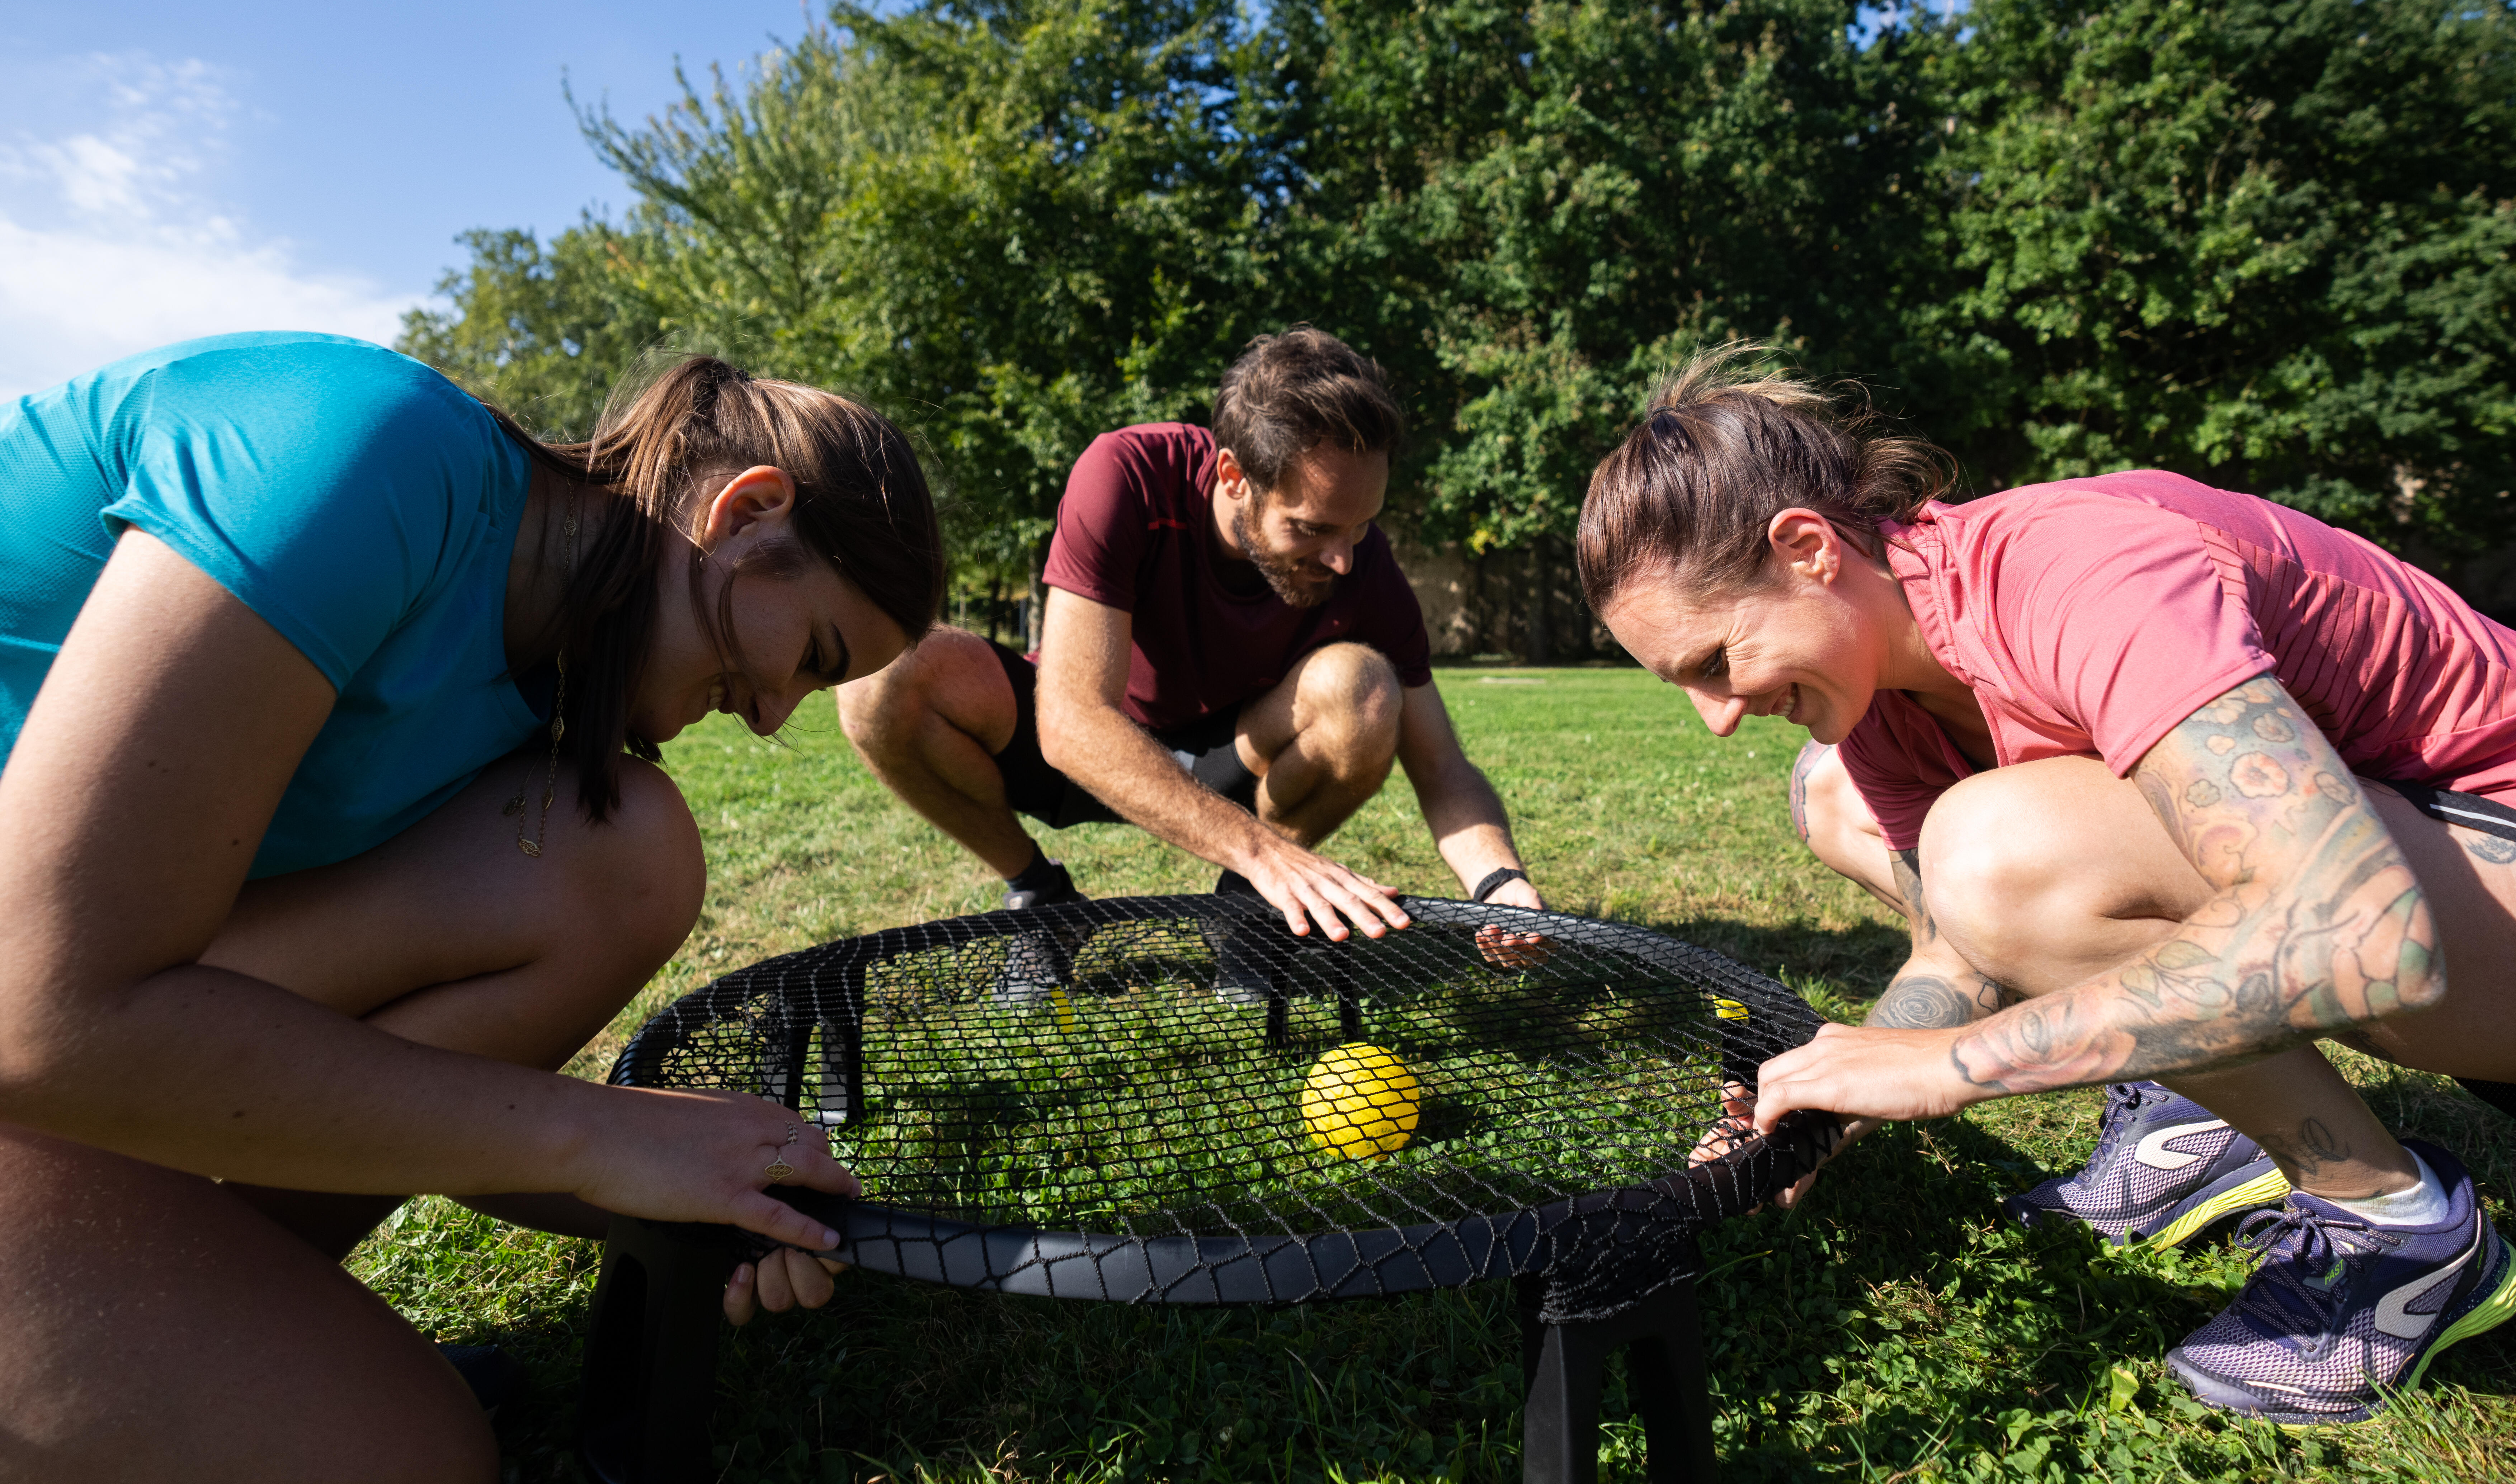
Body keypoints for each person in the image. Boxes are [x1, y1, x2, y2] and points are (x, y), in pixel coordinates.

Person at [0, 332, 945, 1481]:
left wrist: (686, 1199)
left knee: (623, 847)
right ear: (749, 513)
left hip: (70, 1037)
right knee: (414, 1458)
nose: (772, 718)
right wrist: (601, 1132)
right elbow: (40, 1013)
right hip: (40, 1015)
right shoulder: (364, 444)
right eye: (815, 654)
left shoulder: (541, 677)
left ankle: (237, 1306)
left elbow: (371, 1072)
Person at [1575, 350, 2516, 1426]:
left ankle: (2400, 1231)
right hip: (2492, 946)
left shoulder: (2078, 570)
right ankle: (2205, 1106)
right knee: (1896, 823)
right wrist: (1833, 1100)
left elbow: (2367, 936)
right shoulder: (1885, 690)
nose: (1716, 716)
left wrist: (1951, 1070)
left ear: (1810, 549)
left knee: (1996, 844)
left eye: (1715, 662)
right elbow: (1964, 944)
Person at [840, 326, 1546, 972]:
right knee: (883, 678)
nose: (1342, 559)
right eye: (1310, 528)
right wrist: (1264, 851)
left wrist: (1499, 882)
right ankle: (1041, 898)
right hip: (1089, 750)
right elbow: (1069, 723)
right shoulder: (1127, 474)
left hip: (1233, 759)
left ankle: (1244, 916)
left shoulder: (1363, 562)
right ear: (1234, 477)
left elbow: (1441, 764)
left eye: (1361, 526)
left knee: (1365, 686)